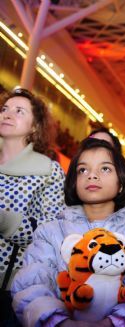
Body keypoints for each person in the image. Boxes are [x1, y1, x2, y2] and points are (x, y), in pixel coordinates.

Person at [11, 138, 125, 326]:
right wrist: (58, 321)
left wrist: (116, 322)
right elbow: (31, 285)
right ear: (74, 182)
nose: (92, 175)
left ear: (121, 182)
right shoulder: (50, 232)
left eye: (105, 169)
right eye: (83, 170)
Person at [0, 88, 65, 324]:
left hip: (10, 287)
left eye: (19, 111)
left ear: (35, 127)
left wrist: (4, 221)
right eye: (4, 109)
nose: (7, 114)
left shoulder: (47, 171)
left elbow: (48, 231)